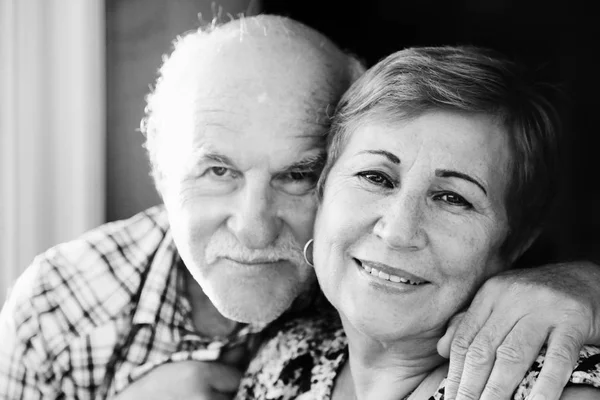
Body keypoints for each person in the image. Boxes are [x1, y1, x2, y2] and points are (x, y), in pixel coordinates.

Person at [0, 15, 598, 400]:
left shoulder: (535, 369)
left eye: (297, 174)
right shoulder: (60, 307)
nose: (254, 227)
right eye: (217, 170)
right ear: (160, 174)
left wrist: (586, 285)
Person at [235, 45, 600, 400]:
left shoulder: (559, 387)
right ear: (322, 189)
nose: (397, 232)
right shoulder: (284, 355)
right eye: (376, 177)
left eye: (453, 198)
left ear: (513, 243)